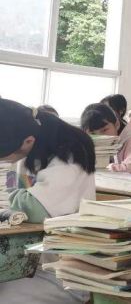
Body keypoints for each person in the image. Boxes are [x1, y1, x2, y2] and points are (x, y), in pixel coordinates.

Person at [0, 99, 94, 303]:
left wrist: (15, 196)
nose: (4, 161)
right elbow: (13, 193)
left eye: (4, 157)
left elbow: (34, 210)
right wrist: (17, 196)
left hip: (63, 272)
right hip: (22, 263)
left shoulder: (69, 158)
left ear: (28, 141)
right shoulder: (24, 152)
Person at [81, 103, 131, 173]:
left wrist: (109, 168)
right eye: (93, 134)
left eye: (104, 130)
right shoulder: (89, 141)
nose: (100, 137)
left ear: (117, 125)